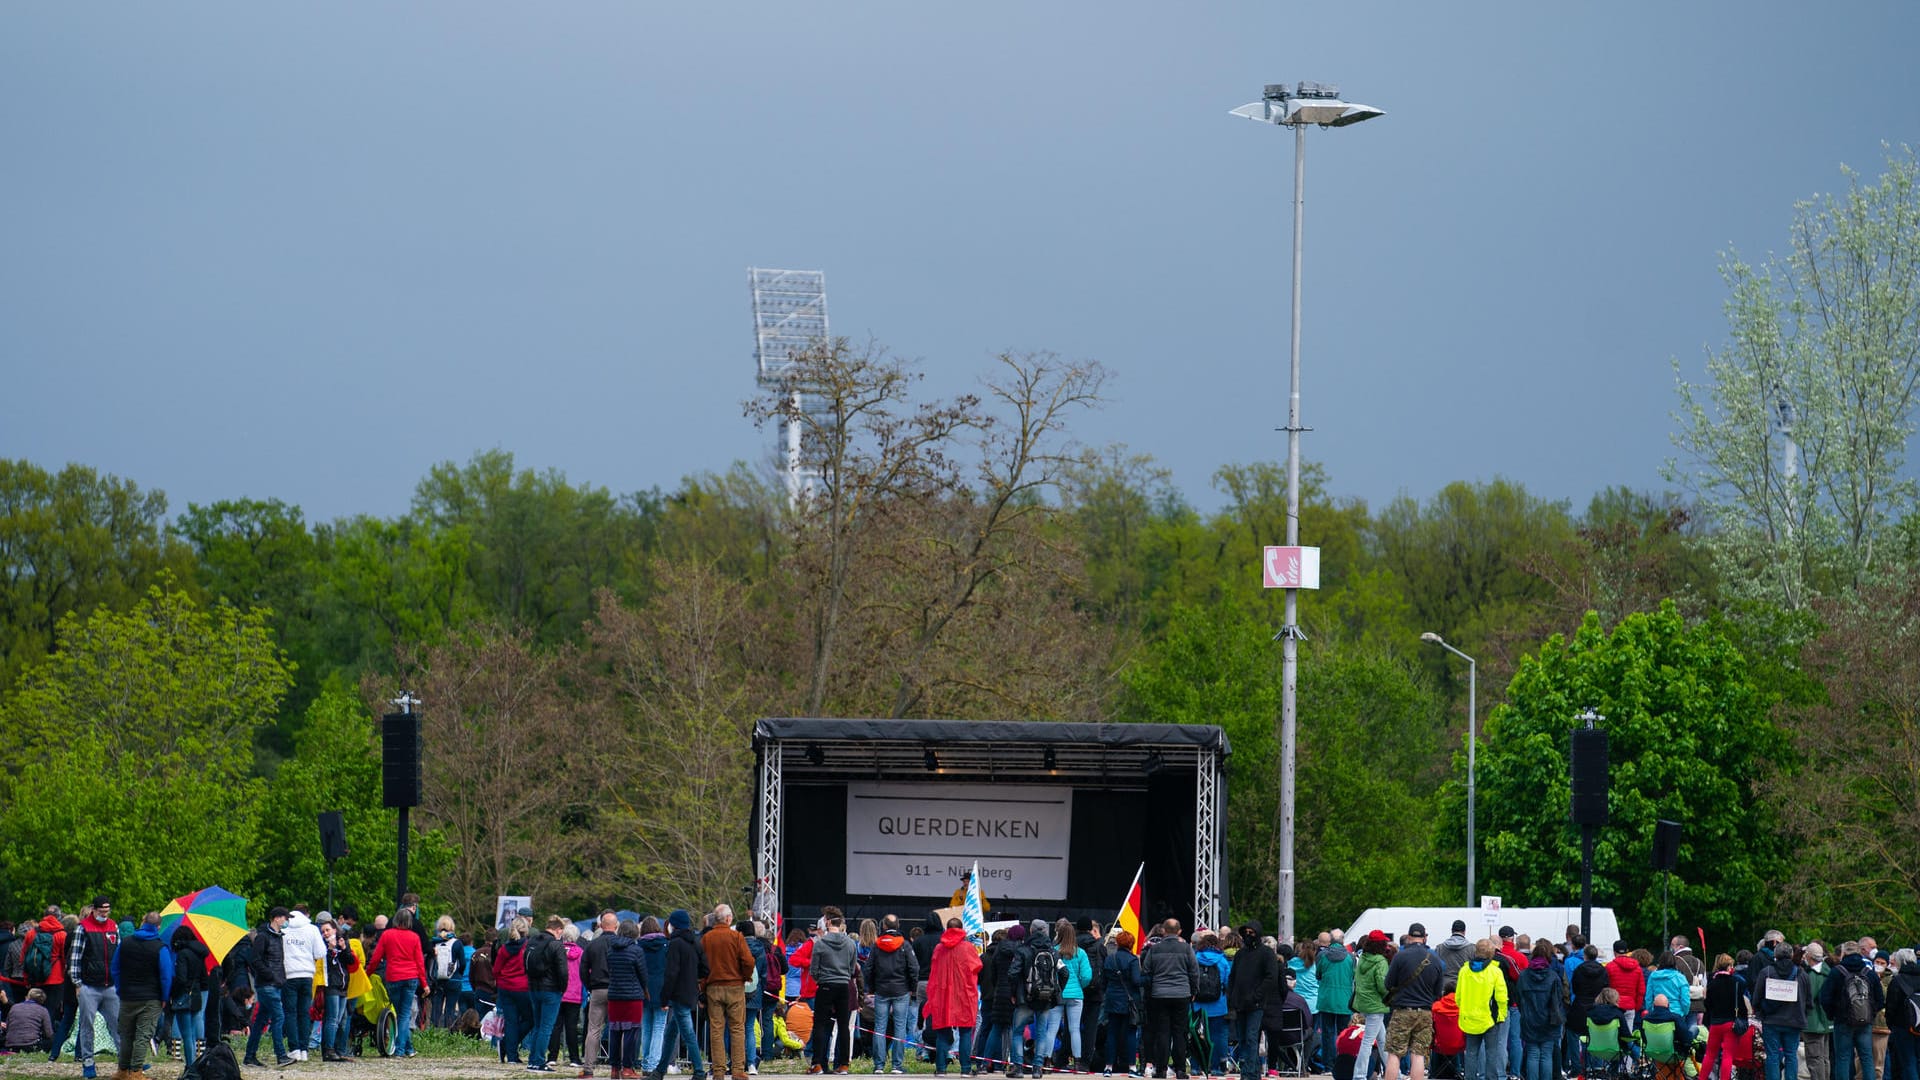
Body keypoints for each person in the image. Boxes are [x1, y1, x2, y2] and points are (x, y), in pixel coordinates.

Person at [110, 911, 173, 1080]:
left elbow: (115, 968)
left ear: (143, 921)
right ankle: (136, 1071)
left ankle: (122, 1070)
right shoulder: (160, 947)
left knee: (126, 1035)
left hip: (127, 996)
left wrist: (119, 988)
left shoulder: (126, 943)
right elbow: (166, 976)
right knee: (143, 1036)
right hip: (151, 998)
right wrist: (165, 997)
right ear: (159, 927)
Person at [69, 895, 122, 1079]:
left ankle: (126, 1062)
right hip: (89, 986)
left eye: (107, 911)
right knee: (87, 1025)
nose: (104, 914)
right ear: (94, 910)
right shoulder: (83, 928)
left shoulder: (114, 927)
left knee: (118, 1024)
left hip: (110, 985)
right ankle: (88, 1062)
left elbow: (119, 954)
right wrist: (77, 983)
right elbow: (75, 956)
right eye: (101, 911)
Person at [1383, 922, 1444, 1080]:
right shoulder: (1435, 959)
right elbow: (1438, 992)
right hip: (1424, 1013)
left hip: (1402, 1011)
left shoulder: (1400, 957)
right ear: (1424, 938)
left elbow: (1388, 984)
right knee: (1418, 1055)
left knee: (1394, 1054)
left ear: (1409, 937)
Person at [653, 909, 709, 1080]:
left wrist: (664, 997)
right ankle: (660, 1071)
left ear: (674, 924)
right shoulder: (696, 942)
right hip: (691, 992)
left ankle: (699, 1071)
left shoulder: (675, 944)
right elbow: (705, 968)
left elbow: (671, 973)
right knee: (671, 1033)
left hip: (678, 994)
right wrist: (693, 978)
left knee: (688, 1033)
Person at [369, 907, 431, 1059]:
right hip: (411, 978)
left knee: (400, 1014)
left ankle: (404, 1048)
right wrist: (424, 984)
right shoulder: (414, 937)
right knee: (404, 1015)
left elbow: (376, 958)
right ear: (409, 921)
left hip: (393, 977)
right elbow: (419, 962)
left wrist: (367, 973)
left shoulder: (387, 935)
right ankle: (403, 1050)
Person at [703, 903, 755, 1080]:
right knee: (737, 1028)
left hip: (713, 987)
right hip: (734, 987)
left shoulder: (707, 938)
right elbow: (748, 961)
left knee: (716, 1029)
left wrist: (703, 986)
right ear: (728, 919)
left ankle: (718, 1071)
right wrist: (745, 977)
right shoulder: (736, 936)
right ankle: (738, 1070)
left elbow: (701, 965)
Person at [1142, 919, 1198, 1080]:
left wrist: (1152, 990)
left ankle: (1161, 1070)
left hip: (1159, 995)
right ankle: (1180, 1069)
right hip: (1182, 994)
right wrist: (1194, 990)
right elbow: (1194, 972)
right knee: (1180, 1033)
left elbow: (1146, 972)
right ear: (1179, 932)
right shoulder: (1187, 949)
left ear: (1164, 931)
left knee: (1162, 1033)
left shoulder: (1155, 949)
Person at [864, 915, 920, 1076]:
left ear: (882, 926)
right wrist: (911, 988)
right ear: (898, 926)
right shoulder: (905, 945)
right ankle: (897, 1065)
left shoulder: (876, 945)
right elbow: (914, 969)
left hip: (881, 991)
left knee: (879, 1027)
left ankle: (879, 1066)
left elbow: (868, 969)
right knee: (900, 1027)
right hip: (901, 991)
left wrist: (873, 988)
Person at [928, 918, 983, 1078]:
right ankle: (965, 1069)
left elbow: (933, 971)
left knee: (942, 1033)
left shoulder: (939, 948)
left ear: (947, 929)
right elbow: (977, 967)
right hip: (964, 996)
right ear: (961, 929)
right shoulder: (968, 948)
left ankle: (940, 1069)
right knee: (965, 1032)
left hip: (943, 995)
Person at [805, 908, 856, 1077]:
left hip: (825, 985)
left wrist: (821, 979)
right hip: (843, 985)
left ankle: (817, 1064)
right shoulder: (849, 943)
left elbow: (813, 968)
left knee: (820, 1024)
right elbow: (852, 967)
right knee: (843, 1026)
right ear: (840, 923)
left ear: (827, 923)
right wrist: (844, 976)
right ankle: (843, 1065)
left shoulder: (820, 943)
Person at [1826, 942, 1885, 1080]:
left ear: (1844, 953)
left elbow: (1825, 997)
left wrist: (1832, 1014)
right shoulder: (1869, 973)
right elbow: (1880, 999)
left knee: (1843, 1058)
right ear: (1860, 953)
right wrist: (1870, 1013)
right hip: (1865, 1022)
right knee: (1867, 1057)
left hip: (1842, 1021)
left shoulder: (1836, 972)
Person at [1753, 940, 1811, 1080]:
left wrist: (1762, 1013)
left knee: (1772, 1055)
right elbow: (1809, 1001)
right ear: (1791, 955)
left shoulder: (1766, 972)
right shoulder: (1802, 974)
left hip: (1771, 1021)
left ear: (1775, 955)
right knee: (1791, 1055)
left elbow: (1756, 999)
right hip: (1794, 1021)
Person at [1227, 922, 1276, 1080]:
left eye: (1251, 932)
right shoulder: (1241, 954)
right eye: (1246, 932)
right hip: (1240, 1002)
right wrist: (1232, 996)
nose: (1248, 935)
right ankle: (1251, 1072)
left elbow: (1271, 977)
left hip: (1256, 1003)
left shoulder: (1266, 953)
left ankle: (1249, 1073)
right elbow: (1233, 976)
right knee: (1242, 1038)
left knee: (1251, 1037)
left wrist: (1257, 995)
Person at [244, 907, 292, 1068]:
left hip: (273, 983)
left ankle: (250, 1056)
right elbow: (255, 960)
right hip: (267, 984)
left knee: (260, 1021)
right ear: (277, 918)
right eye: (285, 918)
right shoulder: (263, 937)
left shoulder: (277, 937)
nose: (287, 921)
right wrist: (271, 975)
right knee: (279, 1017)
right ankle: (281, 1055)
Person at [524, 914, 571, 1071]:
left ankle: (532, 1060)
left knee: (537, 1026)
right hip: (551, 990)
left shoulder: (533, 941)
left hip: (533, 988)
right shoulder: (556, 945)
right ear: (558, 930)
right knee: (546, 1027)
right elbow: (563, 971)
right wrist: (562, 988)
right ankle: (538, 1061)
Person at [1456, 941, 1508, 1080]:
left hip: (1469, 1018)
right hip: (1489, 1019)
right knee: (1491, 1053)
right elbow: (1502, 996)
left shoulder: (1464, 970)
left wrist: (1465, 1010)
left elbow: (1458, 997)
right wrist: (1501, 1015)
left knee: (1471, 1053)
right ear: (1491, 953)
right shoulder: (1495, 971)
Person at [1515, 940, 1564, 1080]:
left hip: (1529, 1019)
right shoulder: (1553, 976)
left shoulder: (1524, 976)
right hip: (1550, 1020)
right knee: (1546, 1055)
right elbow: (1559, 999)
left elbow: (1518, 997)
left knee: (1532, 1054)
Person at [605, 920, 648, 1080]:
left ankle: (614, 1068)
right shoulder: (636, 950)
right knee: (631, 1032)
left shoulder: (611, 950)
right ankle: (628, 1068)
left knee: (615, 1032)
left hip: (614, 995)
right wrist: (645, 989)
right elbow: (643, 974)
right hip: (632, 996)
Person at [169, 923, 211, 1079]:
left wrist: (173, 992)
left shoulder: (183, 954)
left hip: (184, 996)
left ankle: (190, 1067)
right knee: (193, 1031)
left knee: (186, 1034)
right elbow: (202, 977)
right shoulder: (200, 953)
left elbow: (181, 978)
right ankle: (196, 1065)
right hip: (196, 995)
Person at [580, 911, 620, 1079]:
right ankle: (616, 1068)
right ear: (616, 926)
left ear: (601, 926)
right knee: (619, 1029)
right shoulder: (620, 944)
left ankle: (588, 1068)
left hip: (597, 989)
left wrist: (589, 985)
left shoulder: (592, 945)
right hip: (618, 991)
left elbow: (583, 968)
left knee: (594, 1029)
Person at [1102, 930, 1144, 1078]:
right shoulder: (1132, 960)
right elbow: (1136, 981)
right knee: (1130, 1034)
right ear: (1131, 944)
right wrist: (1148, 979)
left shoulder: (1109, 959)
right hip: (1129, 1001)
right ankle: (1132, 1067)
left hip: (1112, 999)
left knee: (1112, 1034)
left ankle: (1108, 1067)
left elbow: (1104, 982)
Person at [1351, 931, 1391, 1080]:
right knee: (1368, 1042)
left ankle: (1394, 1073)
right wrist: (1391, 994)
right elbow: (1382, 986)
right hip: (1376, 1005)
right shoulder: (1380, 961)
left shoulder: (1362, 958)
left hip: (1363, 1003)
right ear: (1380, 945)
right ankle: (1359, 1075)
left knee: (1382, 1040)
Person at [1317, 928, 1357, 1074]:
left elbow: (1318, 975)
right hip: (1345, 1000)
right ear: (1343, 941)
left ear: (1331, 941)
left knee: (1327, 1034)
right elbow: (1353, 977)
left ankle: (1328, 1066)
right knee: (1343, 1034)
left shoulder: (1322, 955)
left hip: (1326, 999)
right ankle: (1342, 1066)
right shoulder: (1350, 957)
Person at [1193, 931, 1231, 1078]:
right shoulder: (1222, 961)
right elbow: (1227, 982)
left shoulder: (1195, 958)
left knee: (1196, 1035)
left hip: (1197, 1003)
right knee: (1217, 1036)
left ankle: (1196, 1066)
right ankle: (1216, 1067)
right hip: (1218, 1003)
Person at [636, 918, 671, 1078]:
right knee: (659, 1027)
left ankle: (646, 1063)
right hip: (662, 989)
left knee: (647, 1027)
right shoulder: (665, 945)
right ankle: (653, 1064)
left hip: (643, 990)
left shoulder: (639, 946)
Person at [497, 917, 535, 1064]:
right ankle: (507, 1044)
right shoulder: (527, 947)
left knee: (511, 1022)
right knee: (530, 1019)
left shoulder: (504, 949)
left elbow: (496, 970)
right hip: (523, 988)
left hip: (505, 988)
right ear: (526, 930)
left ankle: (511, 1055)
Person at [430, 915, 467, 1028]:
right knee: (450, 1009)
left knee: (436, 1008)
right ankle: (449, 1032)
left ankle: (433, 1032)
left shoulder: (434, 942)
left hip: (438, 980)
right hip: (454, 979)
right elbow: (463, 963)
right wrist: (458, 974)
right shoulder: (457, 943)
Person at [6, 987, 55, 1053]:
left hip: (11, 1045)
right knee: (52, 1040)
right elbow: (48, 1033)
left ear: (28, 996)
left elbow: (8, 1026)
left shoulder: (14, 1007)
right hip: (30, 1045)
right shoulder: (42, 1010)